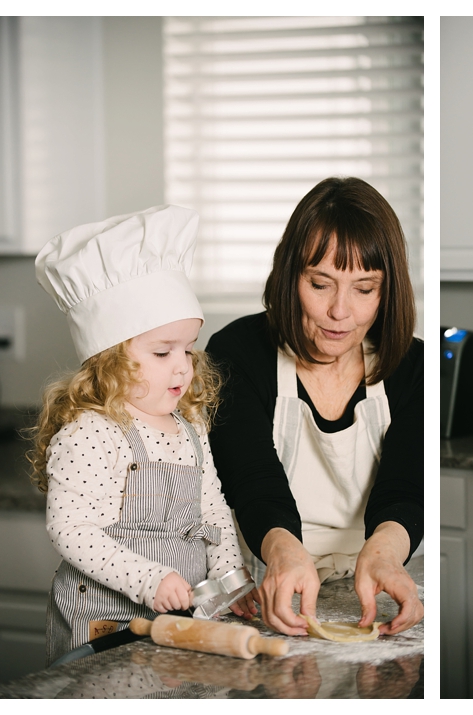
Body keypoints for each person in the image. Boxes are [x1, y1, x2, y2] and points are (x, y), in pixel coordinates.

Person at [30, 205, 255, 665]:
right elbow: (72, 530)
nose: (182, 366)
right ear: (108, 358)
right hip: (106, 626)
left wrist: (231, 576)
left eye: (188, 349)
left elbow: (211, 508)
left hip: (182, 622)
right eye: (161, 351)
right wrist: (148, 580)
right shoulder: (92, 433)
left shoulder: (189, 427)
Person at [206, 177, 423, 637]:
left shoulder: (414, 366)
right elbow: (251, 479)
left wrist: (384, 552)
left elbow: (407, 486)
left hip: (385, 576)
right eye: (320, 284)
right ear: (290, 275)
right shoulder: (238, 353)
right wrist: (284, 550)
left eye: (365, 289)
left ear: (388, 292)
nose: (340, 312)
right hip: (274, 578)